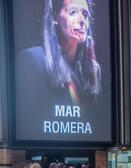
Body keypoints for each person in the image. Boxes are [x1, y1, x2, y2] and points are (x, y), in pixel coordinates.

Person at [15, 0, 101, 139]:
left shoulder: (91, 70)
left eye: (85, 14)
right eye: (73, 12)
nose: (81, 21)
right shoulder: (31, 59)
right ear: (55, 17)